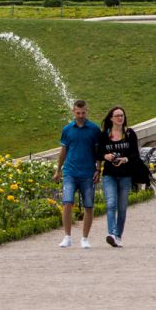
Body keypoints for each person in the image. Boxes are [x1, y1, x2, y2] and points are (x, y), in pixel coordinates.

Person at [97, 105, 149, 247]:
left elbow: (135, 154)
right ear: (111, 118)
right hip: (109, 174)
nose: (120, 118)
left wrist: (125, 159)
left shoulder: (129, 133)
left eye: (122, 115)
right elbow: (98, 152)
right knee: (111, 204)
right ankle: (112, 233)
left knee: (122, 207)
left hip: (125, 175)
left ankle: (118, 236)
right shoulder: (104, 135)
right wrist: (105, 156)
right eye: (117, 116)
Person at [56, 100, 103, 248]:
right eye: (78, 113)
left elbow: (98, 152)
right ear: (73, 112)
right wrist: (58, 169)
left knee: (89, 206)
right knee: (67, 202)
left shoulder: (94, 129)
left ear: (86, 111)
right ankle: (67, 236)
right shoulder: (67, 129)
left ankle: (84, 238)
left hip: (88, 172)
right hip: (70, 171)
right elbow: (63, 151)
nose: (80, 115)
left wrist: (98, 169)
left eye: (83, 113)